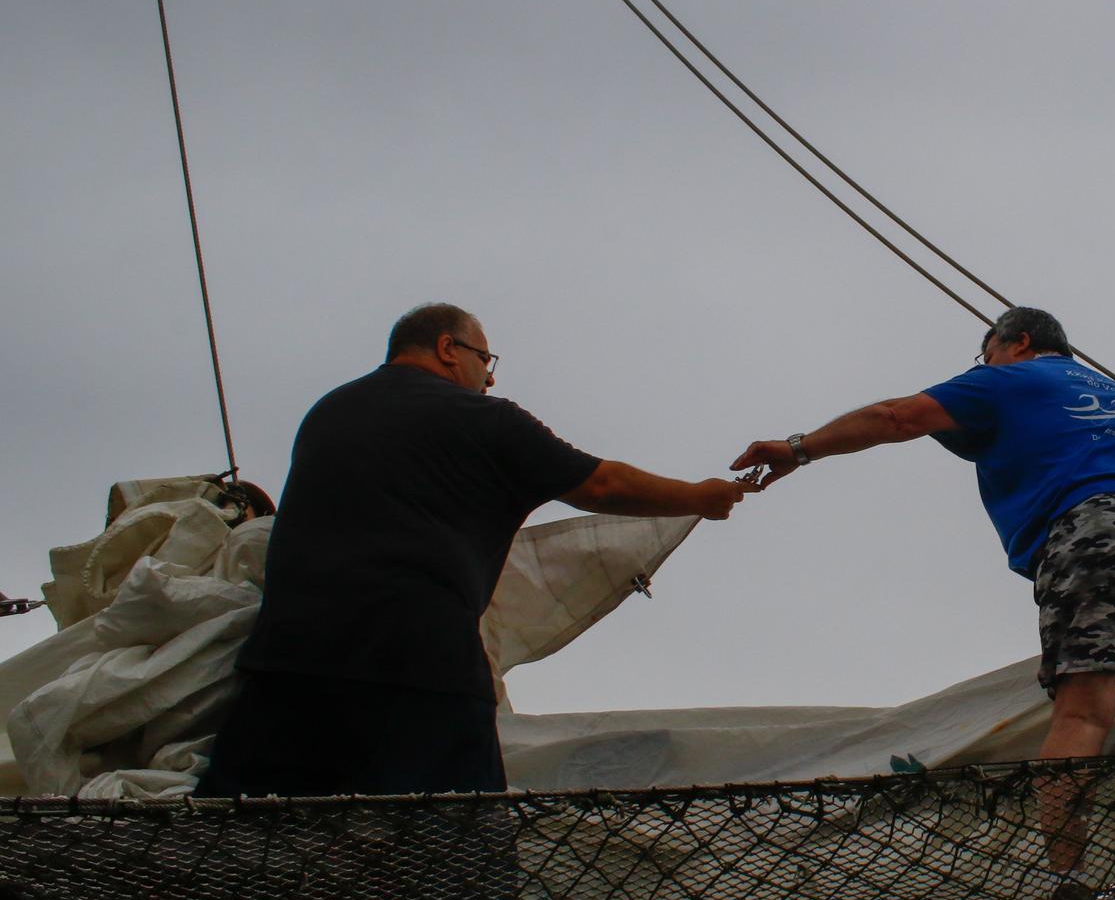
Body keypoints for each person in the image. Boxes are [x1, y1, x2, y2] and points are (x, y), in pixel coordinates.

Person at [731, 306, 1115, 900]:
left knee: (1084, 712)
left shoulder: (1006, 380)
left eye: (987, 352)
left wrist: (797, 448)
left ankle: (1070, 883)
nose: (983, 364)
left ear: (1017, 343)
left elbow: (894, 417)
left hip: (1092, 525)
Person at [199, 302, 748, 798]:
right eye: (486, 362)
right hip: (417, 673)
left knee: (248, 850)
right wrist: (700, 497)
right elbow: (600, 485)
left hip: (283, 670)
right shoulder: (488, 419)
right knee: (454, 864)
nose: (487, 380)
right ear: (448, 349)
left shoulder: (326, 413)